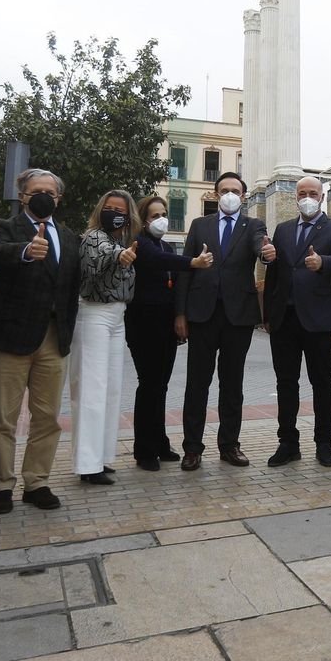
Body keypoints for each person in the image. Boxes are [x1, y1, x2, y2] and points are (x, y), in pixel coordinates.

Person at [0, 168, 81, 513]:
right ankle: (3, 485)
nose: (44, 197)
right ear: (22, 195)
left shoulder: (69, 236)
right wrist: (26, 251)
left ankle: (36, 481)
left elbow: (72, 285)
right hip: (10, 336)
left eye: (51, 193)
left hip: (54, 338)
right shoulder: (3, 227)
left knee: (47, 417)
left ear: (58, 198)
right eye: (37, 191)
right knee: (3, 418)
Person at [175, 172, 266, 469]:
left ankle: (230, 445)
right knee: (197, 384)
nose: (229, 194)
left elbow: (259, 246)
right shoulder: (199, 225)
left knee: (232, 383)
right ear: (216, 195)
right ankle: (192, 448)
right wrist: (180, 313)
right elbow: (186, 270)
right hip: (202, 314)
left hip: (237, 316)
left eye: (235, 190)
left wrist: (266, 253)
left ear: (243, 195)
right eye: (224, 190)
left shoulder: (253, 225)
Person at [262, 177, 331, 467]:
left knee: (322, 382)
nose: (307, 197)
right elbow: (274, 273)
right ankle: (288, 443)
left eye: (313, 193)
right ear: (295, 197)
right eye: (302, 193)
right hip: (284, 319)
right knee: (286, 382)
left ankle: (324, 443)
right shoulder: (283, 229)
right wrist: (268, 315)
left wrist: (322, 262)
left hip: (318, 319)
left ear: (322, 197)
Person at [127, 196, 205, 470]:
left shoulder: (164, 242)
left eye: (163, 213)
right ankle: (145, 450)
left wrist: (178, 318)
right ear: (142, 218)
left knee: (160, 385)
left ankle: (159, 443)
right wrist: (193, 262)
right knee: (149, 384)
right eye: (154, 214)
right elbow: (158, 261)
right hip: (143, 320)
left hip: (164, 321)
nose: (160, 219)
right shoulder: (140, 242)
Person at [70, 190, 138, 485]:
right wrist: (119, 257)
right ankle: (87, 464)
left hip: (116, 316)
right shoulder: (94, 238)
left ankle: (100, 457)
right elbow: (97, 263)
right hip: (94, 314)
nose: (113, 212)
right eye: (108, 208)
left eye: (119, 209)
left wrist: (121, 253)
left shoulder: (119, 240)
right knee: (91, 390)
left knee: (110, 390)